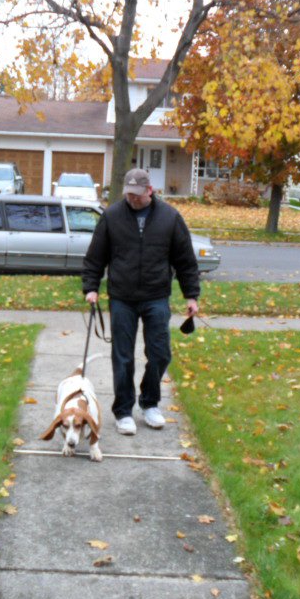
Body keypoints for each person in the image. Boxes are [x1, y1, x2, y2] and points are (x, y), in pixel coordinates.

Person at [81, 168, 200, 435]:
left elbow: (185, 261)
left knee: (160, 353)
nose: (133, 198)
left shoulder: (170, 217)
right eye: (129, 194)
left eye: (137, 194)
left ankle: (150, 403)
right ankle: (123, 411)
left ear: (150, 191)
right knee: (123, 356)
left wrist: (191, 295)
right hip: (122, 297)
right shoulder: (112, 216)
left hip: (156, 296)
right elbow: (95, 256)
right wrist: (91, 287)